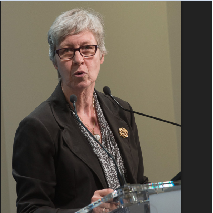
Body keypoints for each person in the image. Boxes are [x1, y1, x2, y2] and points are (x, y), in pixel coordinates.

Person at [12, 8, 148, 213]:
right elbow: (30, 209)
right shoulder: (38, 127)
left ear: (101, 55)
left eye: (87, 48)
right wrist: (87, 212)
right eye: (67, 51)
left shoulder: (121, 111)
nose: (78, 59)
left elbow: (138, 184)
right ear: (55, 62)